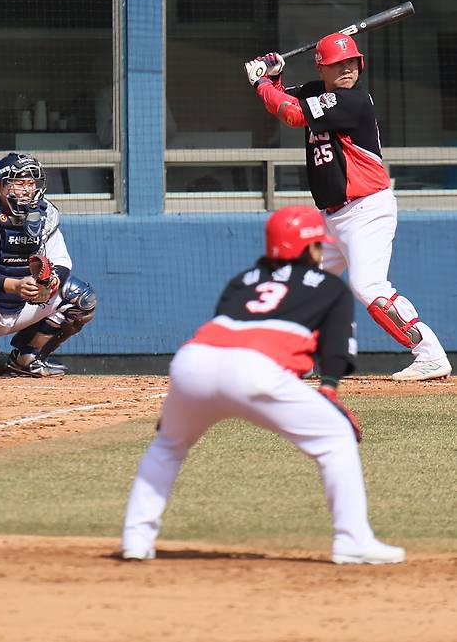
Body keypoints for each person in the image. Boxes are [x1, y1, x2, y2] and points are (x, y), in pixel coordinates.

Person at [122, 205, 405, 565]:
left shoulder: (244, 279)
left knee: (168, 446)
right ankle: (353, 540)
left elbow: (219, 327)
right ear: (309, 248)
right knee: (335, 438)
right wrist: (329, 389)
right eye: (317, 244)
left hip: (193, 363)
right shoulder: (330, 287)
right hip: (255, 369)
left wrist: (177, 408)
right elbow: (336, 353)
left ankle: (136, 538)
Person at [244, 35, 451, 382]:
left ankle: (430, 355)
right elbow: (286, 100)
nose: (347, 69)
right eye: (339, 63)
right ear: (322, 67)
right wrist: (275, 77)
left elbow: (294, 116)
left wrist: (261, 83)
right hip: (333, 215)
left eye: (352, 62)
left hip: (367, 209)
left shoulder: (353, 101)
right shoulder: (315, 92)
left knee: (367, 285)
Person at [0, 151, 96, 380]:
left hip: (23, 303)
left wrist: (49, 284)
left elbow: (61, 263)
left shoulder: (46, 214)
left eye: (31, 183)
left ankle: (28, 357)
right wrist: (15, 285)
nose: (26, 190)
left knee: (81, 297)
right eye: (18, 183)